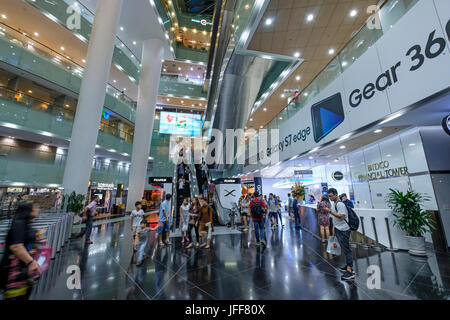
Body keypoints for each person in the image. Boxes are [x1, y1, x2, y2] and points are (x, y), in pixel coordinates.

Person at [0, 202, 42, 300]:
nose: (38, 209)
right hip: (14, 270)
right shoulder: (19, 223)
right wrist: (31, 262)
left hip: (23, 268)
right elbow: (16, 247)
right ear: (27, 210)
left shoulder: (27, 223)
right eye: (35, 207)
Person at [325, 188, 354, 281]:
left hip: (344, 230)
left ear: (336, 194)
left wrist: (330, 211)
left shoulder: (340, 204)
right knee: (344, 249)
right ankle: (347, 266)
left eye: (331, 196)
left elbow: (341, 216)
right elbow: (335, 218)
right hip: (339, 229)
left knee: (346, 249)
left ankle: (350, 270)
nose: (329, 198)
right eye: (328, 196)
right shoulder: (335, 204)